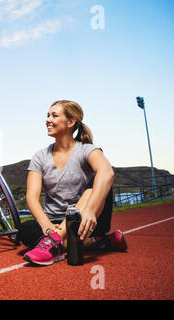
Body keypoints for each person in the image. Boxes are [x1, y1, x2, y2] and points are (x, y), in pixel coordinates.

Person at [18, 100, 127, 266]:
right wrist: (47, 226)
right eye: (47, 115)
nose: (48, 120)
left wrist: (90, 211)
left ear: (70, 122)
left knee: (92, 190)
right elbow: (32, 197)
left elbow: (107, 172)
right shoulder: (40, 156)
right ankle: (98, 242)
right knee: (25, 231)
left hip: (87, 219)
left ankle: (53, 242)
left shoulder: (87, 150)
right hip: (54, 220)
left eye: (54, 115)